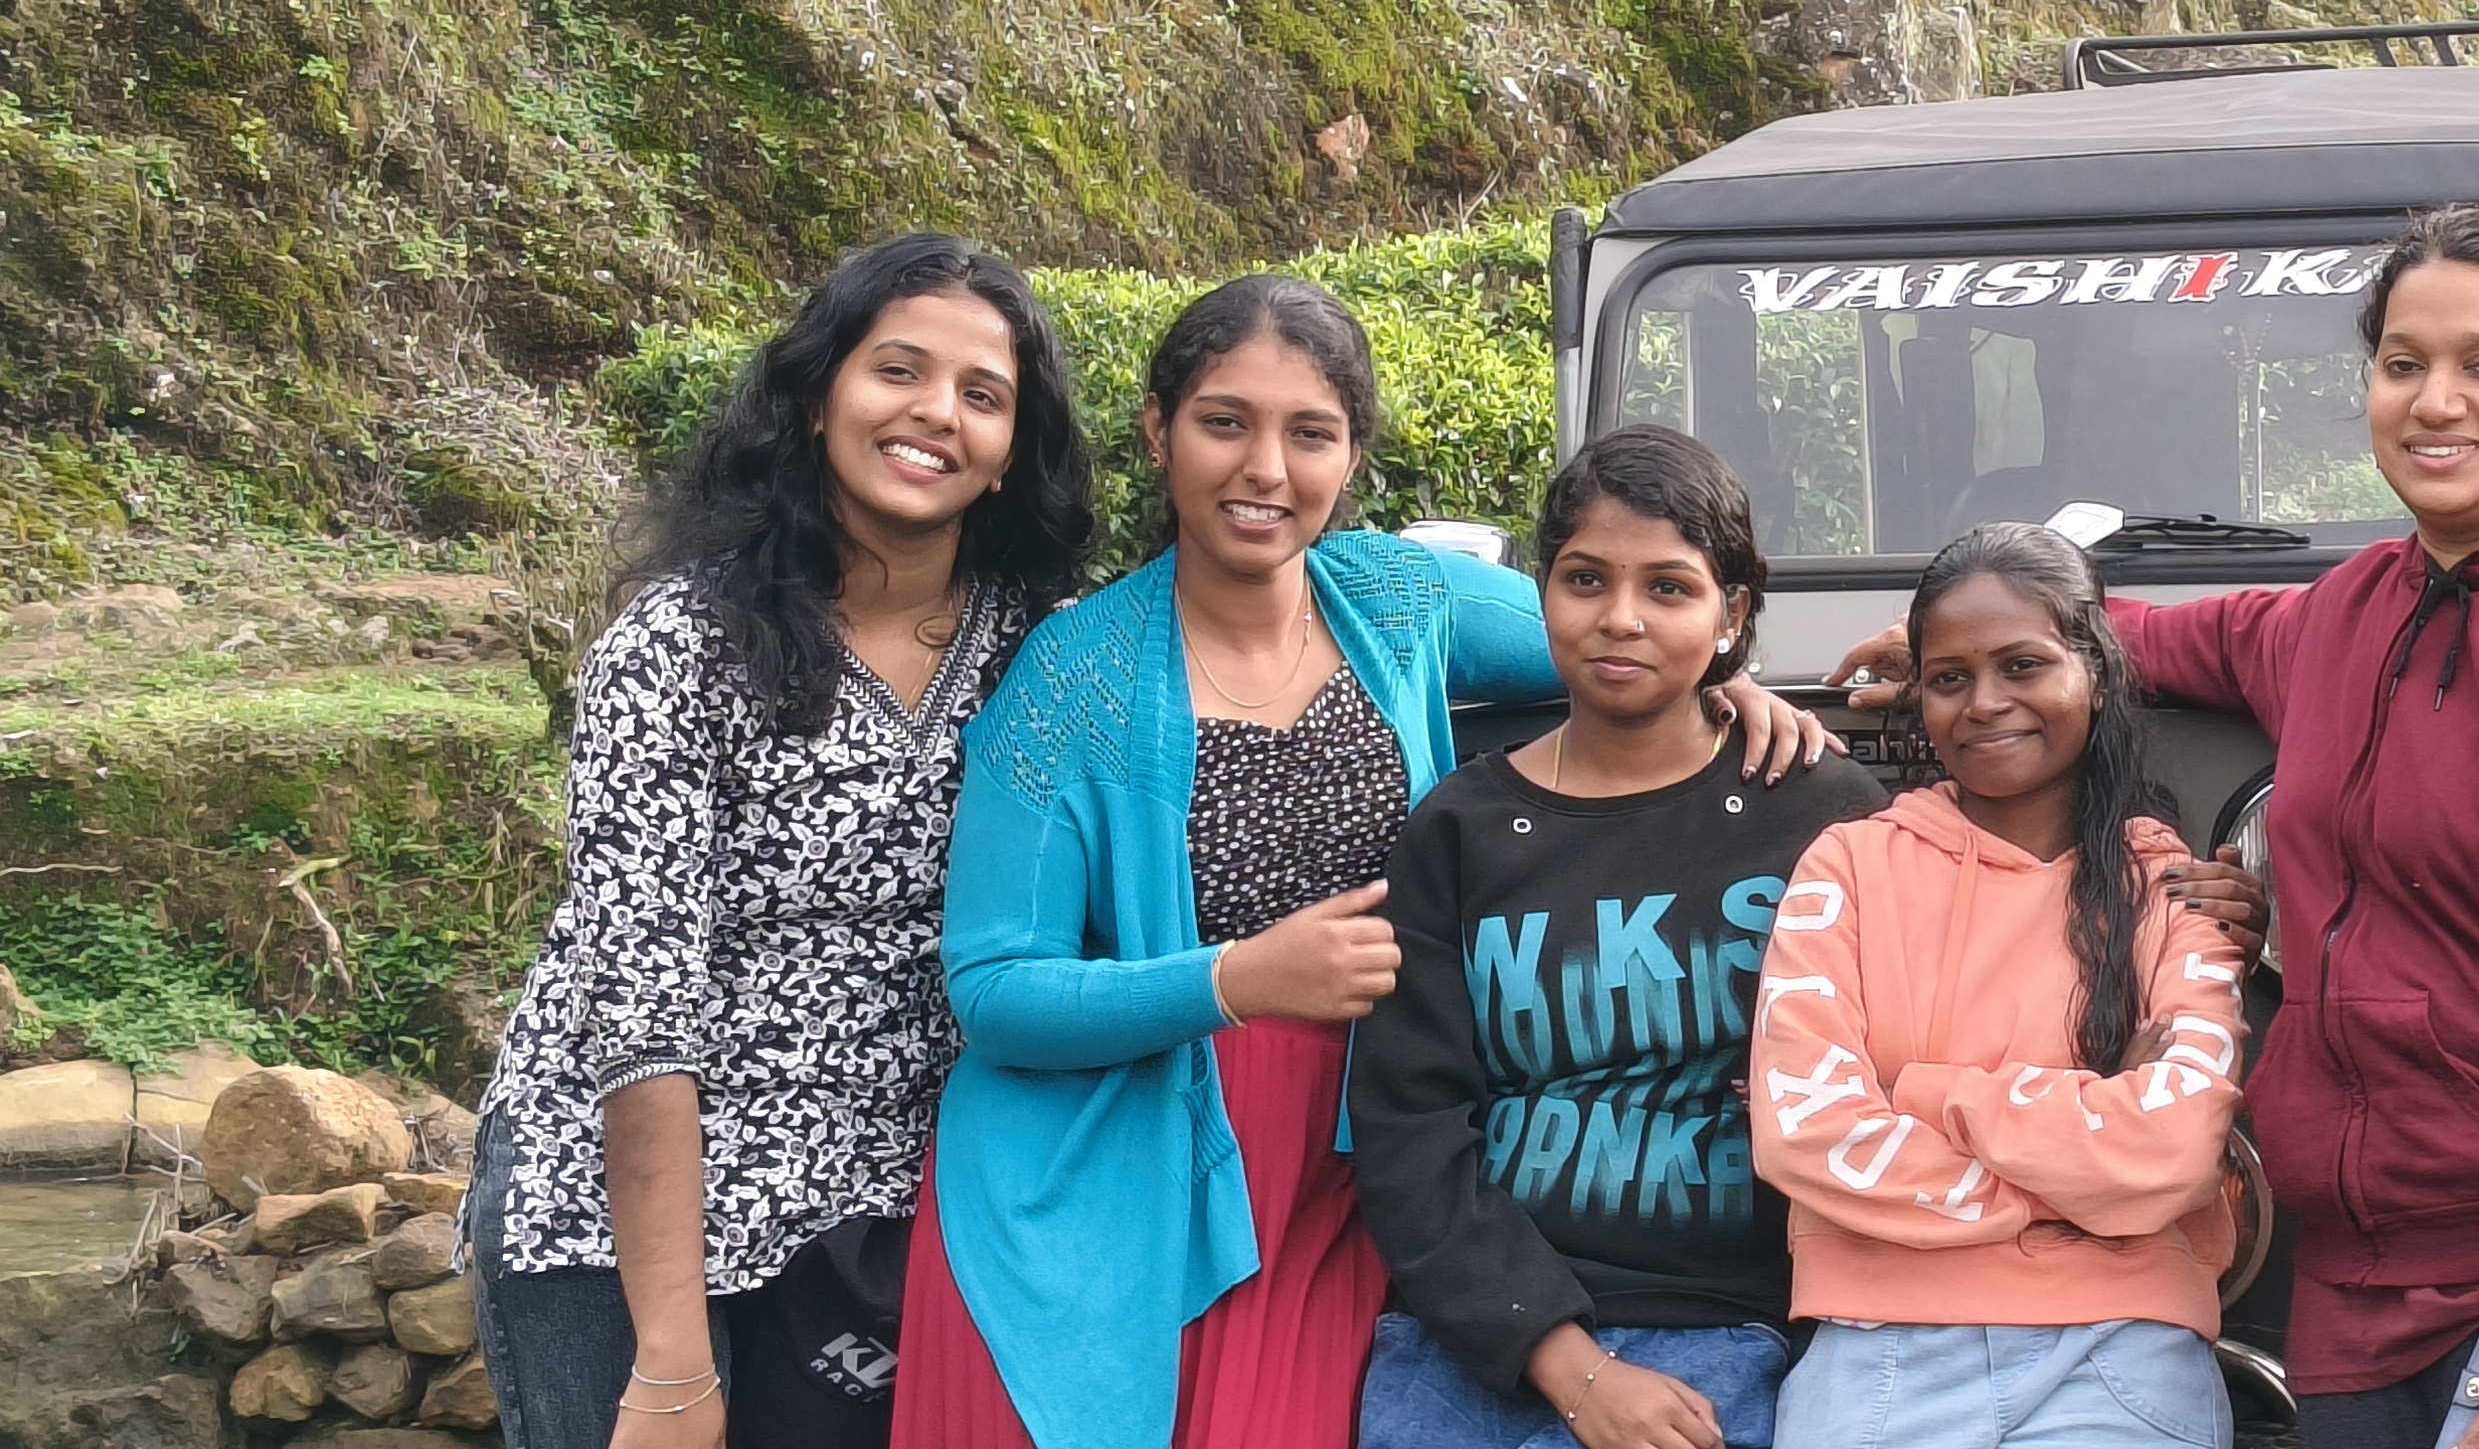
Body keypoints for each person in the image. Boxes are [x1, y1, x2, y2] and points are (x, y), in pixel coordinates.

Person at [1840, 204, 2479, 1449]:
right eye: (2403, 363)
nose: (2435, 401)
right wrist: (1988, 645)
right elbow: (2195, 639)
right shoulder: (2353, 612)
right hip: (2362, 1300)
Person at [890, 279, 1836, 1448]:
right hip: (1126, 1164)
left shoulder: (1397, 600)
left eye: (1310, 432)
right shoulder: (1069, 678)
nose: (1265, 468)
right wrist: (1232, 978)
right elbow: (991, 989)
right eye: (1224, 421)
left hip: (1369, 1150)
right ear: (1158, 430)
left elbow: (1622, 618)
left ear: (1351, 454)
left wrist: (1730, 684)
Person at [471, 232, 1096, 1449]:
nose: (937, 413)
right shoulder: (681, 644)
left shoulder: (1043, 649)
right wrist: (669, 1359)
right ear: (817, 398)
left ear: (1011, 450)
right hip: (619, 1214)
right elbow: (640, 1010)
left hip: (884, 1210)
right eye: (898, 371)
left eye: (982, 395)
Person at [1339, 424, 1892, 1449]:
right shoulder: (1458, 829)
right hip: (1475, 1338)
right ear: (1542, 591)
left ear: (1732, 615)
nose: (1621, 617)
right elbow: (1410, 1129)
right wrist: (1570, 1366)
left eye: (1669, 588)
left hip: (1727, 1331)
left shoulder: (1818, 812)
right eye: (1586, 579)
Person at [1754, 522, 2254, 1449]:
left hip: (2121, 1350)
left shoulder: (2172, 887)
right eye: (1950, 678)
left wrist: (1925, 1094)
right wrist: (2087, 1174)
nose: (1985, 704)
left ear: (2094, 671)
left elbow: (2179, 1146)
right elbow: (1806, 1134)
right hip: (1877, 1353)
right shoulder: (1845, 868)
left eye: (2022, 666)